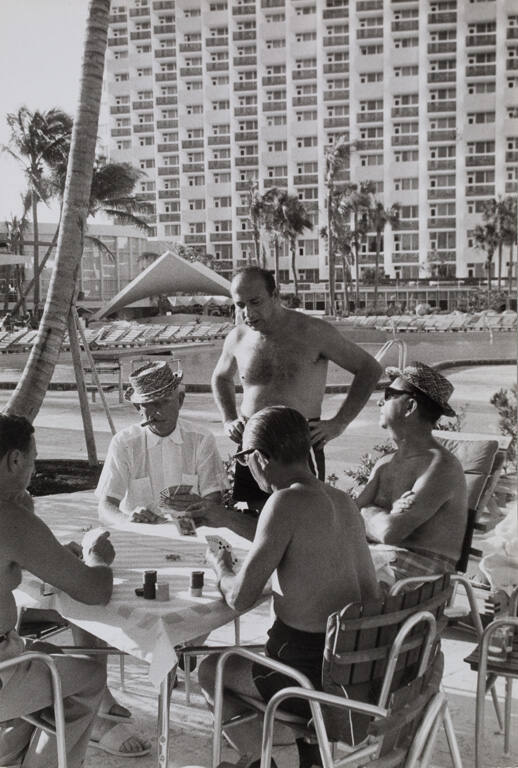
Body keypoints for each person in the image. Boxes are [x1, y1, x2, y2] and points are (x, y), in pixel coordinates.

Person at [198, 406, 379, 768]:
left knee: (210, 669)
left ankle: (257, 760)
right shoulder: (342, 501)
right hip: (357, 671)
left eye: (243, 460)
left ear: (260, 458)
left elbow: (238, 597)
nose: (245, 468)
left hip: (307, 677)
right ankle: (307, 754)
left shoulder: (284, 501)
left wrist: (220, 565)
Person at [0, 413, 135, 768]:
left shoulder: (13, 514)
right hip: (2, 669)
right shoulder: (10, 519)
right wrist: (98, 558)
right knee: (89, 677)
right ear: (15, 459)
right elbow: (93, 591)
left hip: (11, 654)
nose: (33, 468)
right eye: (33, 459)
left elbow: (13, 560)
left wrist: (51, 549)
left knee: (46, 653)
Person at [211, 267, 382, 511]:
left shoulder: (313, 331)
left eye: (255, 302)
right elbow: (220, 378)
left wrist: (339, 422)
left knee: (304, 515)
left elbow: (369, 369)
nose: (247, 312)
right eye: (240, 305)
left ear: (275, 295)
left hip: (298, 441)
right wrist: (228, 418)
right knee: (254, 516)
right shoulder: (237, 337)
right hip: (251, 440)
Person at [357, 362, 468, 580]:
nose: (380, 400)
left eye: (389, 394)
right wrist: (382, 516)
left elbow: (389, 532)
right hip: (380, 562)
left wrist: (367, 511)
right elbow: (346, 519)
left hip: (420, 576)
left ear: (410, 407)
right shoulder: (385, 464)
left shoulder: (440, 467)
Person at [97, 360, 228, 526]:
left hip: (192, 531)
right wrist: (127, 519)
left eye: (165, 401)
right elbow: (106, 506)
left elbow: (214, 500)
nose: (157, 411)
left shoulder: (201, 439)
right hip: (140, 533)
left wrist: (200, 506)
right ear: (138, 408)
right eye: (149, 404)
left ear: (180, 400)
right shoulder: (124, 443)